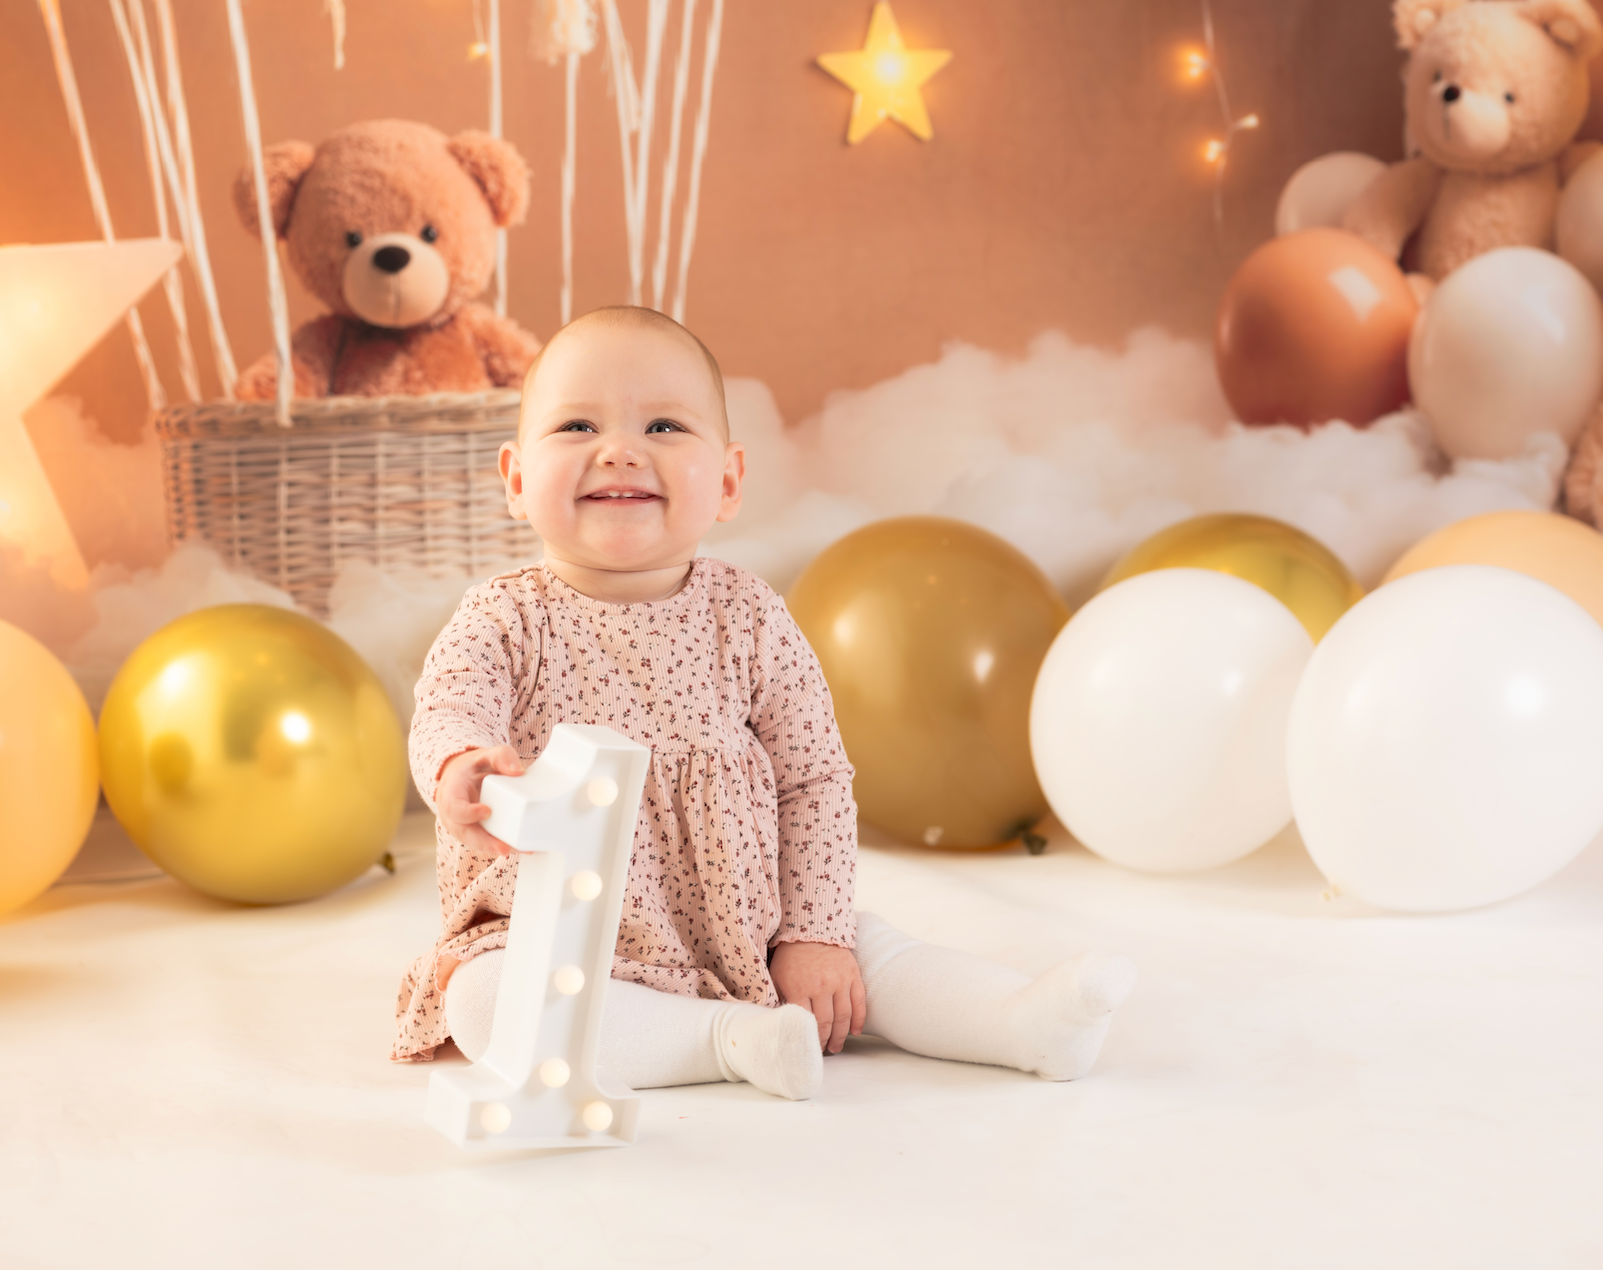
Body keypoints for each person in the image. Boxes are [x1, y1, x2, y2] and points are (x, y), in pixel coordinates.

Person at [393, 306, 1135, 1099]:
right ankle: (729, 1039)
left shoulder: (747, 616)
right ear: (514, 479)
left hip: (749, 924)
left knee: (868, 955)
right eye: (576, 425)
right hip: (562, 938)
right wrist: (462, 763)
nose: (619, 451)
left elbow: (813, 777)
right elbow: (450, 704)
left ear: (729, 481)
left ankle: (1020, 1022)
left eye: (666, 427)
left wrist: (812, 933)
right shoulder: (505, 619)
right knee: (485, 1005)